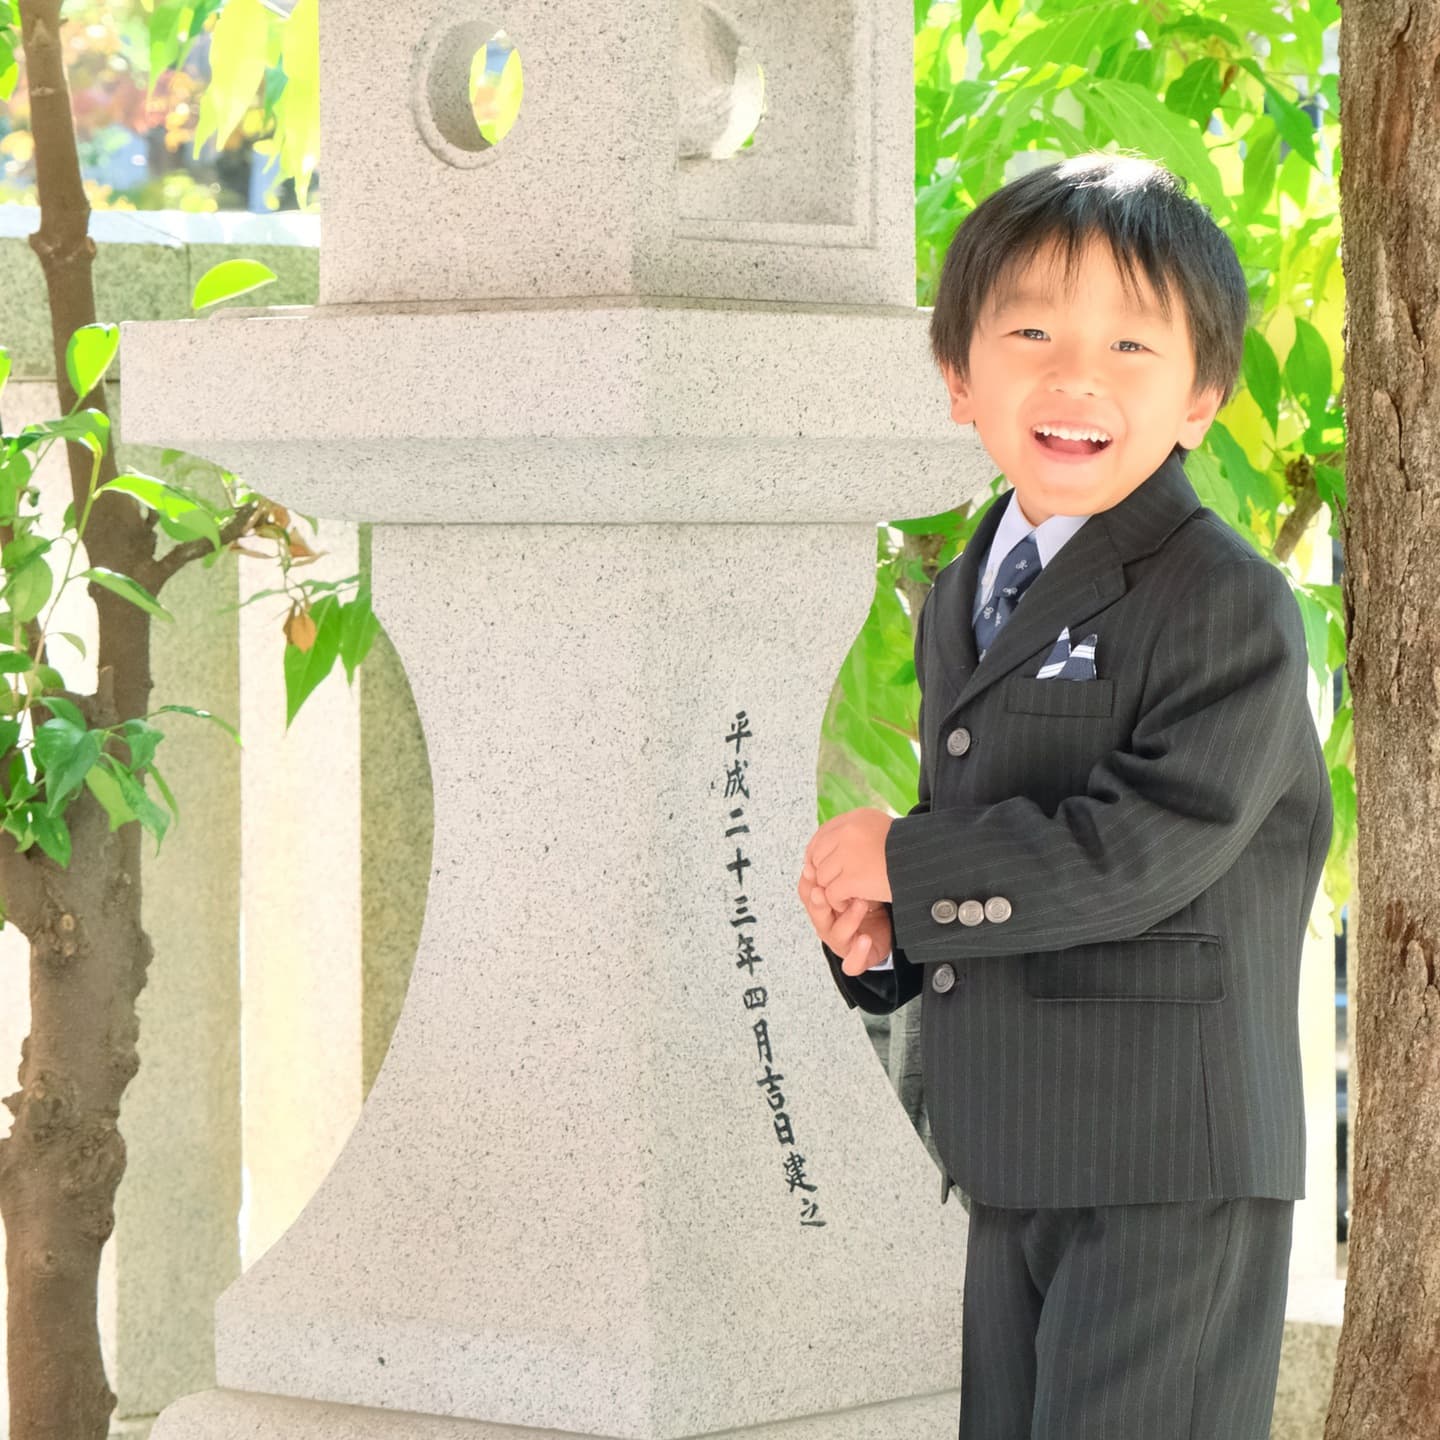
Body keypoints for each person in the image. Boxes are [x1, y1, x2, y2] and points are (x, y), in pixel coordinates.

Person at [795, 152, 1334, 1440]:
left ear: (1200, 398)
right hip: (1011, 1146)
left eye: (1131, 345)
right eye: (1031, 332)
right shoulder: (969, 585)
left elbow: (1143, 848)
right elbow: (994, 829)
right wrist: (892, 929)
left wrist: (909, 863)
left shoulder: (1228, 601)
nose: (1076, 377)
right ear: (958, 377)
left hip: (1167, 1161)